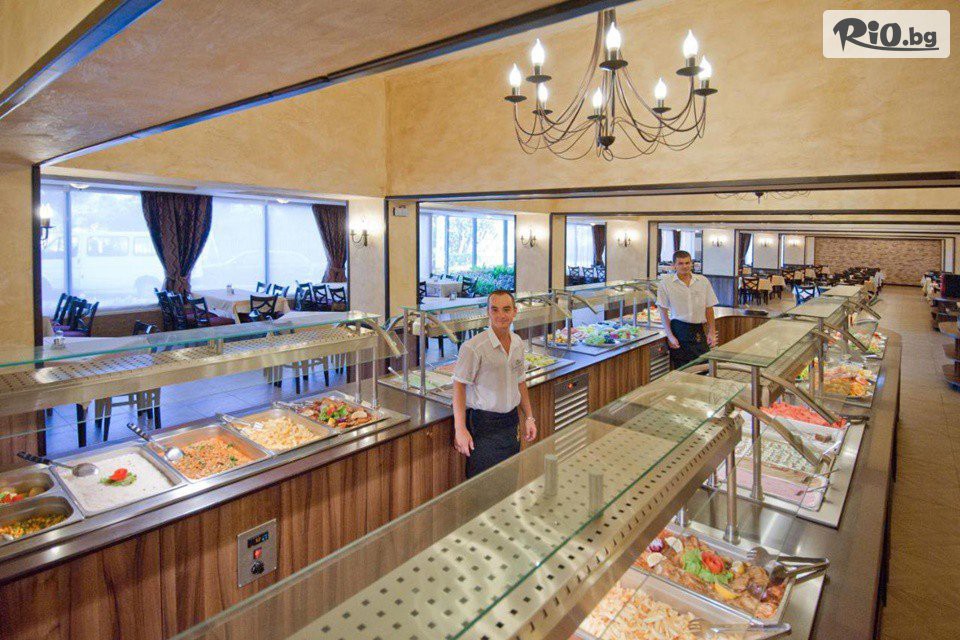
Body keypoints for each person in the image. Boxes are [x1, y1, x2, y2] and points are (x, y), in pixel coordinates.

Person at [452, 290, 537, 478]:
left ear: (514, 312)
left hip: (512, 423)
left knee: (509, 480)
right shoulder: (474, 347)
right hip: (484, 426)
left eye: (506, 309)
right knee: (483, 485)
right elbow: (459, 386)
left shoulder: (517, 343)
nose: (501, 315)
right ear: (488, 312)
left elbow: (520, 381)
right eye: (495, 309)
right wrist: (460, 428)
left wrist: (529, 417)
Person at [657, 250, 719, 369]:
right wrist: (670, 336)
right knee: (682, 369)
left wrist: (712, 332)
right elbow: (663, 312)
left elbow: (709, 308)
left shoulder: (703, 281)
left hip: (698, 330)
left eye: (687, 263)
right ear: (674, 265)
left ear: (691, 264)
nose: (685, 266)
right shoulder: (665, 284)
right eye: (680, 263)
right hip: (679, 330)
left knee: (704, 367)